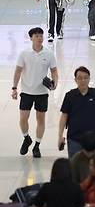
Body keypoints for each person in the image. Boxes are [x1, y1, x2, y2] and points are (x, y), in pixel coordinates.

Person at [13, 26, 58, 158]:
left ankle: (37, 146)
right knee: (23, 119)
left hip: (42, 93)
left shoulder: (49, 54)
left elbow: (54, 71)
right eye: (36, 36)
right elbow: (18, 71)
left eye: (41, 35)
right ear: (31, 38)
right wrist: (14, 88)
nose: (39, 38)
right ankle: (26, 138)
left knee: (41, 119)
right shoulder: (24, 54)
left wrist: (54, 83)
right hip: (26, 91)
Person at [58, 66, 95, 158]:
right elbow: (64, 116)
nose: (83, 80)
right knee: (74, 166)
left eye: (85, 78)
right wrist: (60, 135)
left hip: (92, 139)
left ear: (89, 79)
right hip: (74, 138)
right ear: (75, 80)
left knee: (92, 167)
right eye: (80, 78)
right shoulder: (70, 96)